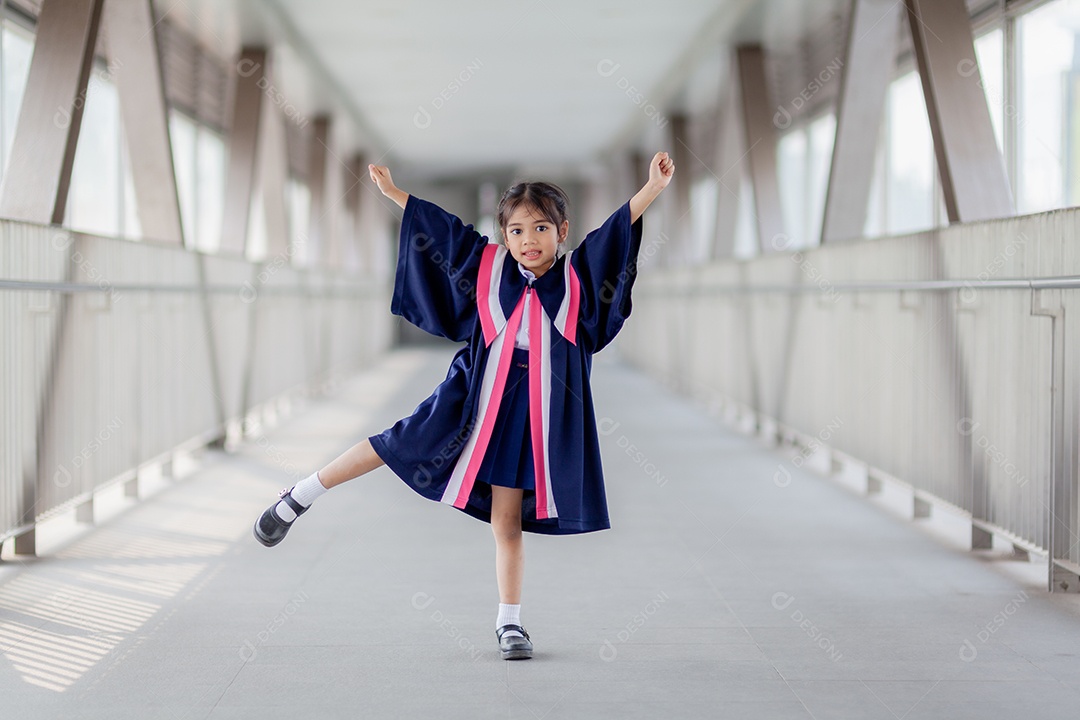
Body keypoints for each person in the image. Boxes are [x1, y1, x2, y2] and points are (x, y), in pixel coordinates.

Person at [253, 151, 675, 660]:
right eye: (516, 231)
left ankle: (510, 623)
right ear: (504, 237)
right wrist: (395, 196)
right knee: (397, 442)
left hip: (533, 412)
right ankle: (299, 495)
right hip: (474, 395)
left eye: (541, 228)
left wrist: (650, 188)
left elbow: (614, 234)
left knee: (507, 522)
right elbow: (444, 232)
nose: (529, 240)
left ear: (562, 231)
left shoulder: (578, 277)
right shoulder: (489, 267)